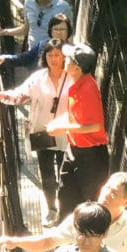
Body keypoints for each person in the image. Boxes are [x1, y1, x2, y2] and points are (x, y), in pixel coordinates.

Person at [0, 38, 69, 222]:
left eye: (57, 55)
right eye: (50, 55)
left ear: (64, 57)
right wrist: (4, 95)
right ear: (44, 57)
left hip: (66, 133)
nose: (53, 59)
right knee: (47, 174)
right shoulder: (38, 78)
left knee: (65, 174)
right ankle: (52, 209)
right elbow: (21, 94)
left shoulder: (72, 78)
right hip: (42, 131)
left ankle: (65, 209)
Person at [46, 42, 109, 218]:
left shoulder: (88, 88)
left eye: (69, 58)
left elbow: (95, 126)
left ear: (77, 67)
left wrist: (63, 127)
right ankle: (65, 237)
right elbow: (74, 115)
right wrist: (57, 123)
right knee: (65, 195)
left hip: (91, 158)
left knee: (89, 203)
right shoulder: (76, 84)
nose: (65, 60)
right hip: (73, 150)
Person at [0, 12, 73, 72]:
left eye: (62, 29)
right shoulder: (42, 45)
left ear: (68, 31)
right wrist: (5, 58)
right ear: (50, 31)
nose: (59, 32)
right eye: (56, 29)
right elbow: (25, 58)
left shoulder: (73, 50)